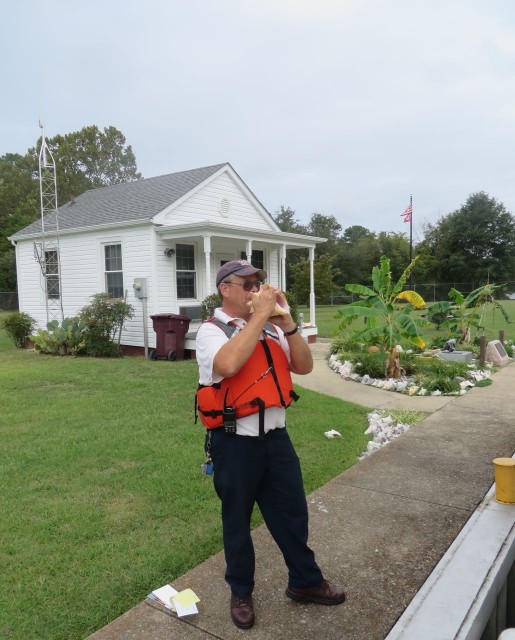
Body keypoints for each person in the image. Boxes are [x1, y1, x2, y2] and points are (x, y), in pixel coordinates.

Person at [195, 259, 345, 630]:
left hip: (276, 439)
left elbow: (305, 367)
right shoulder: (211, 331)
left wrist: (288, 324)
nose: (255, 289)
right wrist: (259, 318)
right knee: (237, 520)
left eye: (258, 283)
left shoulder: (274, 330)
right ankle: (241, 591)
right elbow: (228, 365)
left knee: (292, 513)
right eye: (246, 284)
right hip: (234, 443)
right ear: (224, 289)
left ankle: (305, 582)